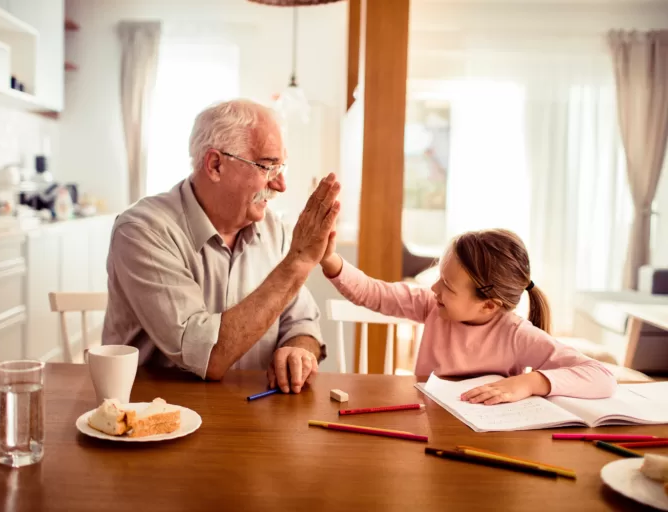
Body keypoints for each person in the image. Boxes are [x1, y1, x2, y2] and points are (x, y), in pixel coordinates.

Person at [102, 99, 341, 394]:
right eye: (267, 167)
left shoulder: (273, 230)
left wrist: (298, 350)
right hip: (155, 419)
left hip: (254, 415)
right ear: (215, 165)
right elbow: (207, 357)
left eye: (281, 167)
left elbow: (303, 324)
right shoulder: (142, 231)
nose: (280, 185)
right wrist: (298, 263)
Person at [320, 228, 617, 404]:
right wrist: (329, 258)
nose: (434, 288)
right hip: (430, 424)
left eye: (447, 285)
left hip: (490, 440)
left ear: (488, 305)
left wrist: (530, 383)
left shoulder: (516, 334)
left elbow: (602, 376)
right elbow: (374, 293)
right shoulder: (431, 305)